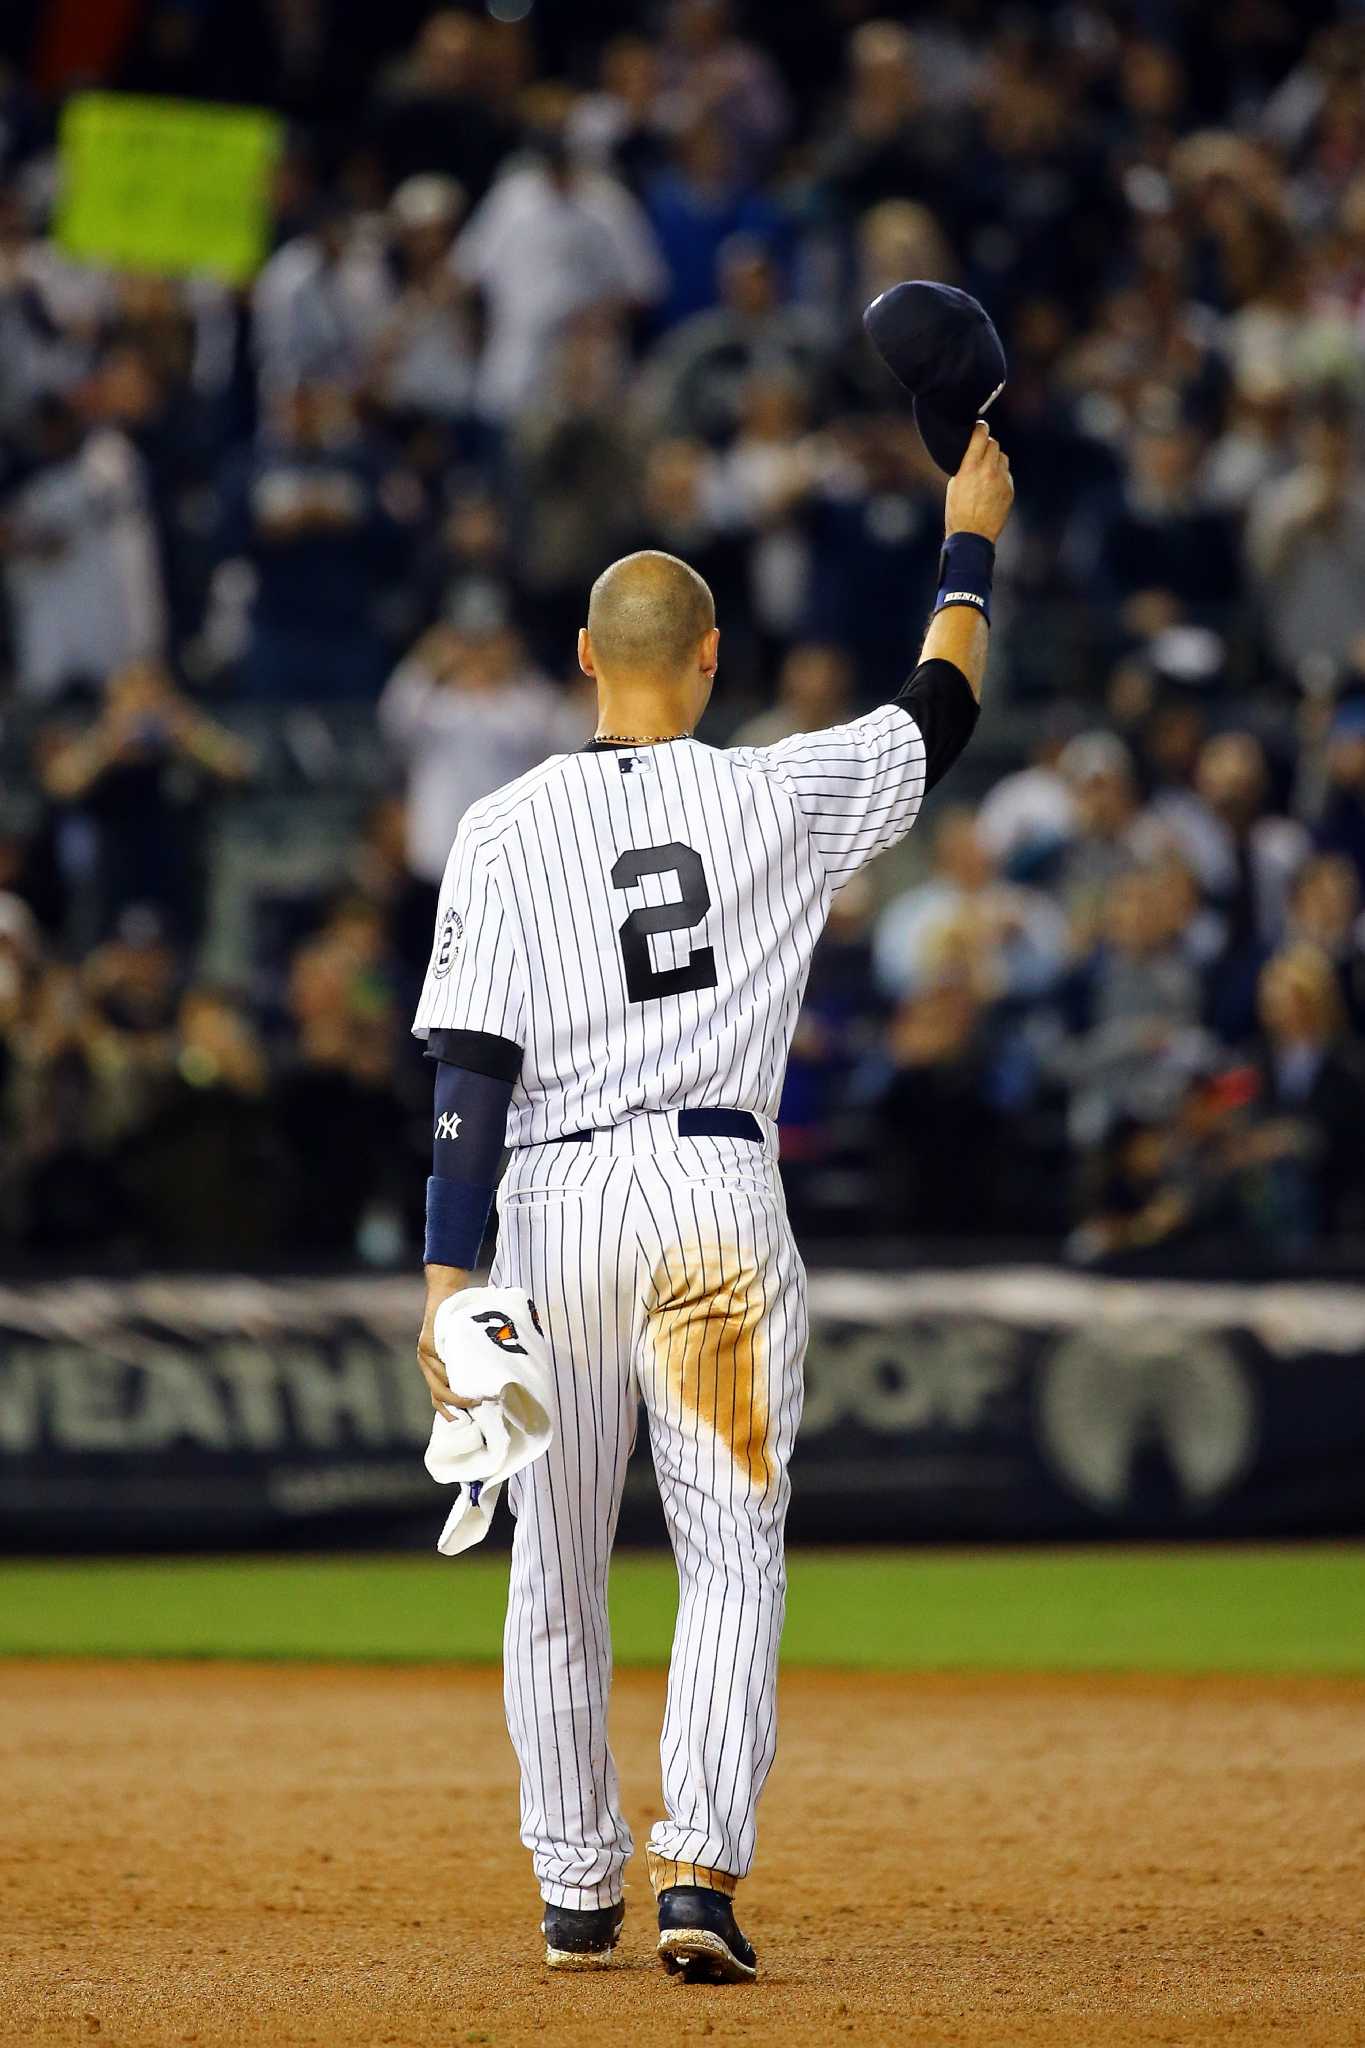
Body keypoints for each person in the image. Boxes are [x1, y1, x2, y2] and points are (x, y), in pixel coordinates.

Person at [410, 423, 1013, 1976]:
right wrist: (967, 541)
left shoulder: (502, 822)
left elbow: (470, 1065)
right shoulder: (775, 793)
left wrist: (439, 1275)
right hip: (711, 1207)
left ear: (583, 661)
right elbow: (938, 711)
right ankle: (698, 1883)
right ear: (712, 656)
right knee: (731, 1546)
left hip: (539, 1211)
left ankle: (573, 1887)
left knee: (555, 1560)